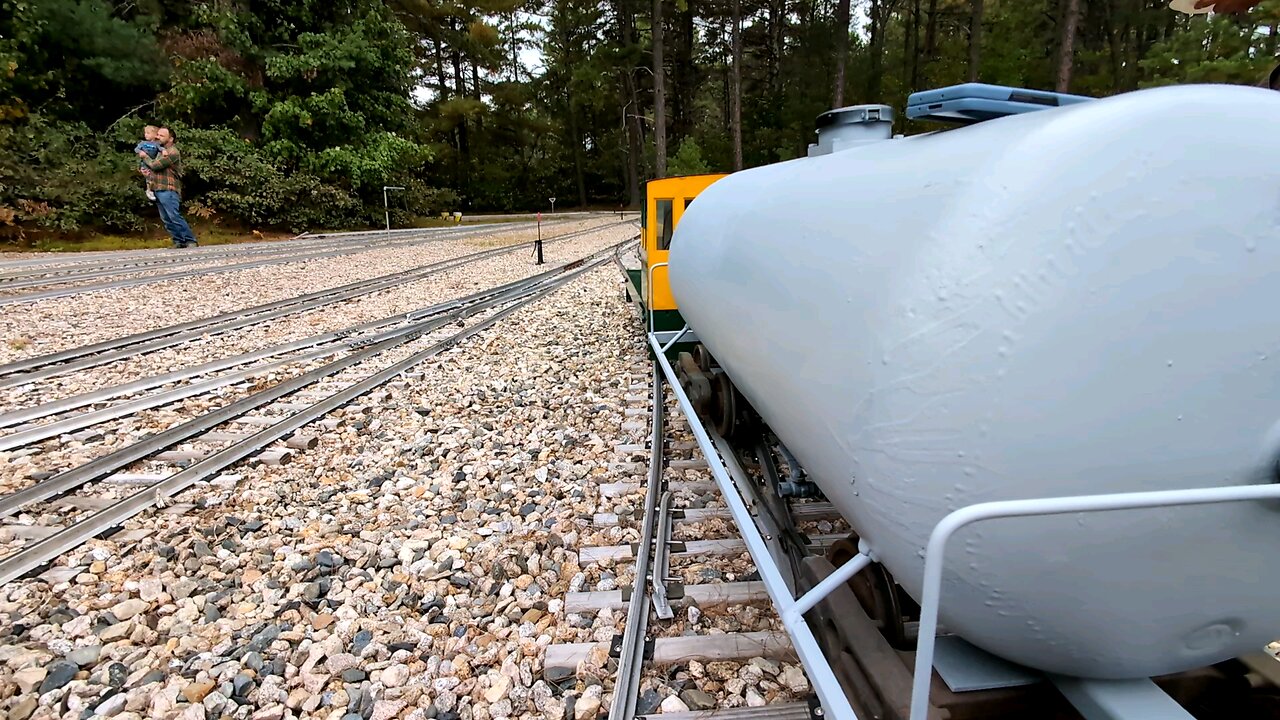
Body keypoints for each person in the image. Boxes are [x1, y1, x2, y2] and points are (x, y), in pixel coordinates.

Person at [138, 127, 198, 248]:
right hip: (157, 187)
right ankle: (178, 241)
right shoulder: (159, 151)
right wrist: (145, 172)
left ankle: (190, 240)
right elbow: (151, 168)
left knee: (174, 216)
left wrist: (145, 156)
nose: (157, 137)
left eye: (161, 135)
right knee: (166, 218)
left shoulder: (172, 152)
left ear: (170, 138)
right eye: (158, 135)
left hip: (168, 188)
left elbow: (155, 165)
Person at [134, 126, 160, 202]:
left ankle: (152, 190)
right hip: (145, 164)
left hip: (153, 162)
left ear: (155, 135)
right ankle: (149, 190)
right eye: (145, 133)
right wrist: (140, 152)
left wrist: (163, 151)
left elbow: (161, 150)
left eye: (148, 133)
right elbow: (136, 149)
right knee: (148, 177)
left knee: (152, 177)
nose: (146, 135)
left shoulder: (157, 144)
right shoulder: (143, 143)